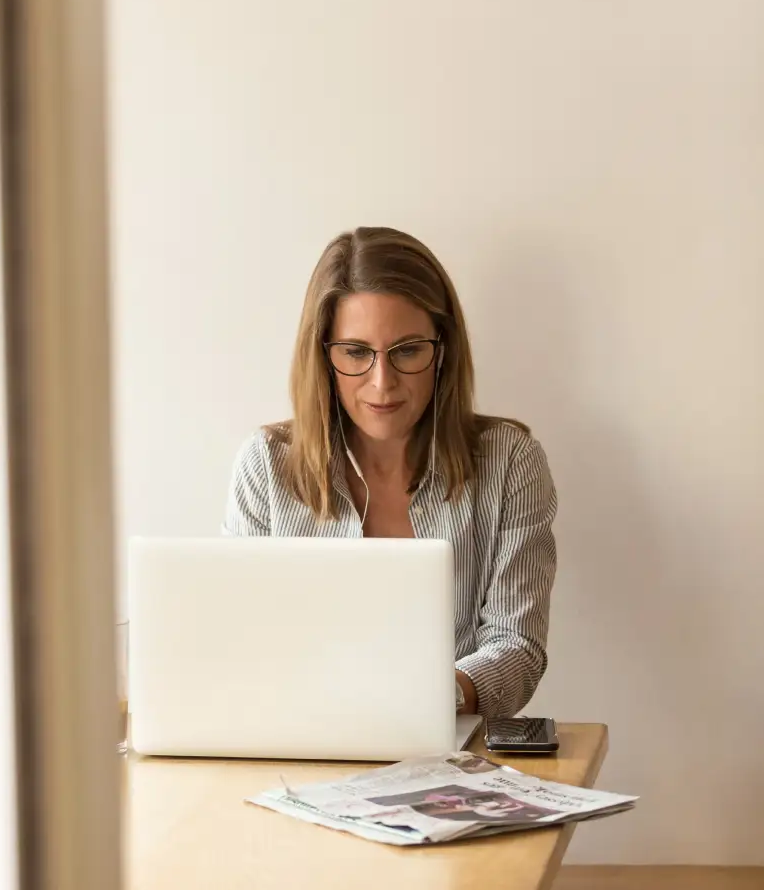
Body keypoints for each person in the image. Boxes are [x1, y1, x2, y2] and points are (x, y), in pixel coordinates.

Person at [222, 226, 557, 718]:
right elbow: (240, 645)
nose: (383, 383)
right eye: (356, 352)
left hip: (450, 754)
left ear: (442, 350)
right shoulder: (265, 466)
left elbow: (518, 648)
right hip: (297, 744)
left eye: (407, 350)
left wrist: (425, 699)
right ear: (324, 356)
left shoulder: (509, 461)